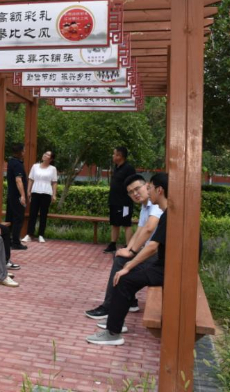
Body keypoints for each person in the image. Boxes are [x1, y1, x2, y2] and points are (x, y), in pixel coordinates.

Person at [86, 173, 181, 346]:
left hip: (169, 268)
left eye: (149, 188)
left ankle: (113, 329)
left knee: (124, 277)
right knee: (125, 276)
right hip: (168, 265)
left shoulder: (166, 213)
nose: (147, 192)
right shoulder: (168, 212)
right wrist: (129, 252)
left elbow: (152, 245)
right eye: (131, 192)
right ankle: (116, 319)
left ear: (159, 190)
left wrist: (130, 263)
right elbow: (143, 233)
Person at [84, 173, 164, 322]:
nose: (135, 193)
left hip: (158, 255)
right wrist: (128, 249)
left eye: (137, 189)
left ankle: (108, 307)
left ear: (147, 185)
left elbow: (149, 228)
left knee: (121, 261)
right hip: (151, 252)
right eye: (131, 192)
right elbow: (139, 231)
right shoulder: (145, 206)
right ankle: (130, 301)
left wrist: (131, 252)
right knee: (121, 256)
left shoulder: (156, 204)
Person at [104, 146, 136, 253]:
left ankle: (128, 246)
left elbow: (133, 184)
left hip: (125, 202)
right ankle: (113, 244)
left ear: (120, 156)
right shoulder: (116, 167)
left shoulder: (129, 168)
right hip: (114, 201)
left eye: (114, 154)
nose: (113, 156)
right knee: (114, 223)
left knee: (126, 224)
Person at [22, 150, 58, 244]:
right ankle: (29, 234)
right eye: (44, 153)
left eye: (47, 155)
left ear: (51, 159)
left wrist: (54, 194)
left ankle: (41, 235)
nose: (45, 155)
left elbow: (54, 182)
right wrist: (28, 191)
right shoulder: (35, 166)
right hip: (35, 192)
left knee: (43, 215)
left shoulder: (53, 169)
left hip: (46, 193)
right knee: (32, 214)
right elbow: (31, 179)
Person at [6, 143, 28, 250]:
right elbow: (18, 180)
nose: (25, 152)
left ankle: (8, 240)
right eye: (24, 150)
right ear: (21, 152)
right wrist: (23, 195)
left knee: (10, 218)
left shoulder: (11, 162)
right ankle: (16, 242)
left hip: (11, 195)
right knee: (18, 218)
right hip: (17, 196)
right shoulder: (18, 164)